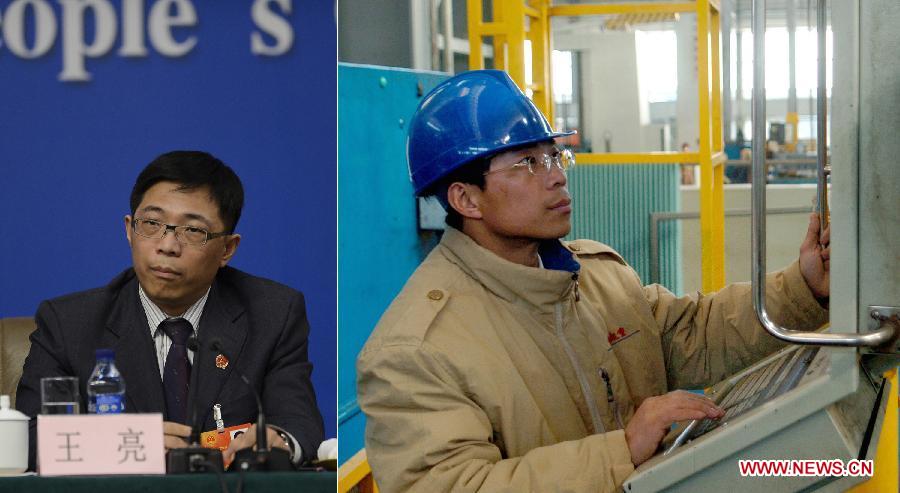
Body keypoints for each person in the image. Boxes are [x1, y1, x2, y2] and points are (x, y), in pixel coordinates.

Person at [356, 70, 830, 492]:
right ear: (466, 199)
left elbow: (692, 334)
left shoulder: (597, 277)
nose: (557, 178)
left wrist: (803, 287)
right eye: (527, 163)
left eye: (555, 156)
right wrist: (622, 450)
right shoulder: (414, 352)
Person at [17, 151, 324, 470]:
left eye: (193, 231)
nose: (167, 245)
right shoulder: (69, 324)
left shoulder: (273, 313)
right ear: (129, 229)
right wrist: (124, 445)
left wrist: (279, 440)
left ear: (227, 249)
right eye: (151, 224)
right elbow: (26, 438)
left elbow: (297, 421)